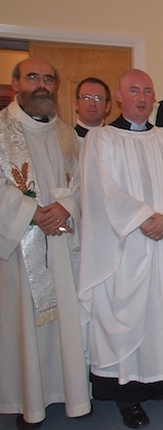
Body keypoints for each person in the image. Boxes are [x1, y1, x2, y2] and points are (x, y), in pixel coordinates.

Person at [78, 69, 163, 429]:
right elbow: (101, 191)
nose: (142, 97)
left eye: (147, 91)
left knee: (162, 311)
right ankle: (127, 397)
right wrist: (145, 219)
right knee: (126, 318)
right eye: (134, 90)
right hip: (125, 246)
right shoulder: (101, 139)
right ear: (119, 96)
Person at [0, 58, 91, 427]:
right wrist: (32, 213)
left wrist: (66, 206)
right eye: (33, 77)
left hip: (63, 244)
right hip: (19, 250)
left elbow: (83, 183)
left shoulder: (67, 133)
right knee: (21, 326)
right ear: (15, 82)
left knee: (65, 323)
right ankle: (27, 404)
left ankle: (67, 393)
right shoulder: (2, 131)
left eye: (48, 79)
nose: (41, 85)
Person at [74, 77, 112, 141]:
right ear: (76, 104)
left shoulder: (115, 140)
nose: (92, 103)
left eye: (98, 98)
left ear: (107, 106)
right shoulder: (64, 140)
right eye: (86, 98)